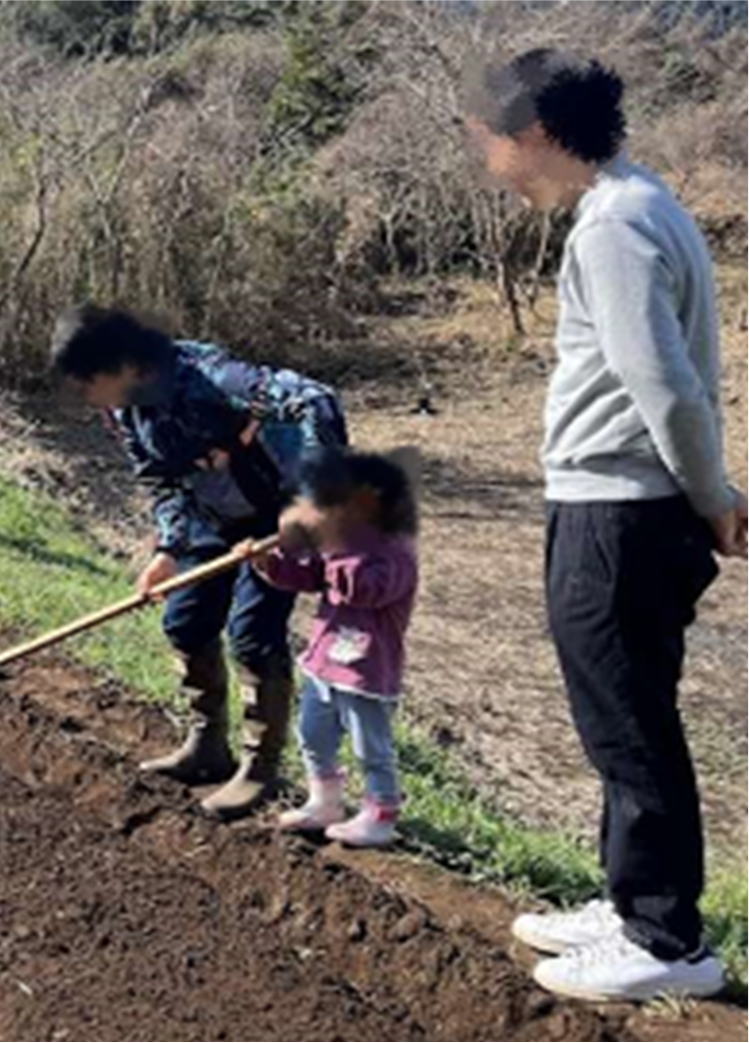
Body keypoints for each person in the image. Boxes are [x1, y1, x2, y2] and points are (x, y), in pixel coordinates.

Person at [466, 49, 745, 1003]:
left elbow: (664, 389)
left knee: (628, 725)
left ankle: (666, 939)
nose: (489, 164)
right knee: (617, 718)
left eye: (488, 144)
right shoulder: (632, 203)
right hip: (618, 506)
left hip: (620, 512)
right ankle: (630, 902)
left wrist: (713, 493)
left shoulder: (615, 227)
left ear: (533, 137)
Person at [51, 305, 348, 822]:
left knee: (252, 632)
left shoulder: (212, 375)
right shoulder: (122, 410)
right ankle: (208, 745)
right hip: (209, 517)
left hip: (273, 514)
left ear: (120, 364)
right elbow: (160, 480)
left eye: (85, 383)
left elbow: (316, 402)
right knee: (185, 622)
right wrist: (168, 548)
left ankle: (260, 767)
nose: (83, 398)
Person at [253, 452, 420, 849]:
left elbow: (362, 590)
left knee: (371, 748)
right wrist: (270, 564)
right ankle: (325, 802)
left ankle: (381, 814)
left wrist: (333, 545)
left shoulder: (395, 554)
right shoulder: (341, 545)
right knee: (312, 733)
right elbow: (311, 576)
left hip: (366, 671)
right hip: (325, 660)